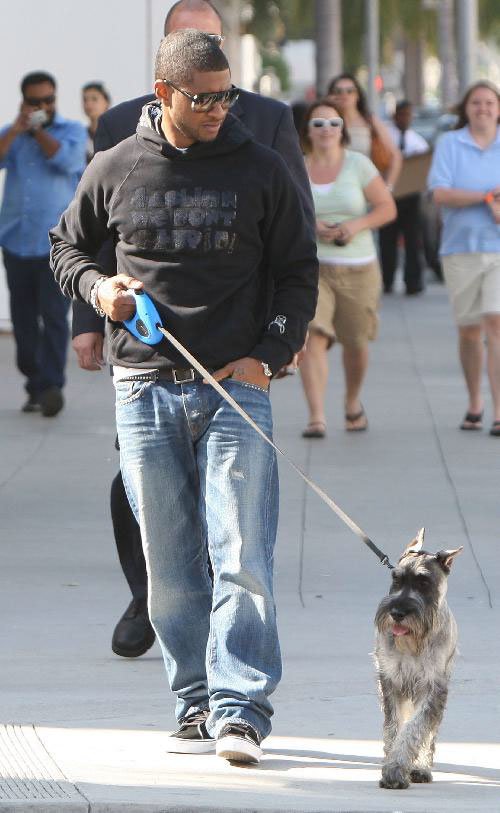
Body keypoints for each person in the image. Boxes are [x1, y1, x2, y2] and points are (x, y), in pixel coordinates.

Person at [50, 30, 318, 763]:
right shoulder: (117, 166)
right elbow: (65, 246)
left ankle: (242, 709)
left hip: (236, 388)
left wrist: (272, 351)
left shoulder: (260, 169)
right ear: (164, 93)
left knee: (241, 556)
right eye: (203, 98)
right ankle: (196, 701)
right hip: (141, 388)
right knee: (168, 566)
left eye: (227, 95)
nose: (218, 110)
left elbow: (299, 268)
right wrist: (100, 286)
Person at [299, 98, 395, 437]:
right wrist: (311, 227)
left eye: (334, 124)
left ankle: (352, 401)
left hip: (358, 267)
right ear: (308, 131)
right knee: (313, 337)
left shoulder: (359, 165)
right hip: (313, 268)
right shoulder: (297, 166)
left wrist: (355, 226)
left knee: (356, 342)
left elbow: (386, 208)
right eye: (319, 124)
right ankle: (316, 416)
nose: (327, 130)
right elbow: (285, 212)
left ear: (343, 130)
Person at [0, 72, 86, 416]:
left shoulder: (72, 131)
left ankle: (51, 386)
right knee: (22, 318)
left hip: (55, 244)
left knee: (53, 316)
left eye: (47, 100)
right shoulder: (15, 133)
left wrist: (38, 132)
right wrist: (19, 130)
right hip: (16, 240)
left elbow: (67, 161)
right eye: (35, 101)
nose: (42, 107)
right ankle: (34, 381)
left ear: (55, 98)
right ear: (24, 101)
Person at [428, 80, 500, 437]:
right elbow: (439, 193)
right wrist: (486, 198)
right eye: (477, 102)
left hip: (499, 250)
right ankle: (475, 402)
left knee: (496, 323)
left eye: (489, 102)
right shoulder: (450, 144)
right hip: (461, 250)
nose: (483, 108)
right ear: (466, 109)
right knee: (470, 331)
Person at [380, 100, 430, 295]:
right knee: (387, 241)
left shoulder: (418, 142)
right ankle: (388, 280)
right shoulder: (386, 138)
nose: (405, 119)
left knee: (413, 240)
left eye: (409, 115)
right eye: (402, 115)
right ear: (395, 116)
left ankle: (413, 282)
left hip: (411, 197)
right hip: (388, 195)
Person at [327, 72, 401, 191]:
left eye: (350, 91)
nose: (344, 95)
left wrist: (388, 188)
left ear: (358, 95)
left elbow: (395, 156)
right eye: (338, 91)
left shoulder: (369, 121)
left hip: (365, 190)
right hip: (334, 189)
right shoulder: (327, 123)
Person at [82, 82, 111, 163]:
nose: (89, 104)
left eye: (94, 99)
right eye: (85, 100)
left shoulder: (116, 134)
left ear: (106, 102)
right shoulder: (80, 136)